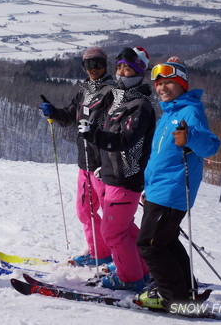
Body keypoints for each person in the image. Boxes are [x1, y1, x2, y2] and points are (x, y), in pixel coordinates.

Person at [136, 57, 220, 310]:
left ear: (183, 83)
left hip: (172, 192)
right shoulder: (169, 112)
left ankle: (173, 297)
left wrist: (190, 136)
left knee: (149, 244)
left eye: (169, 83)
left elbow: (211, 146)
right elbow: (159, 158)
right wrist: (148, 189)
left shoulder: (189, 111)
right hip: (159, 191)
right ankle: (186, 290)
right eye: (159, 84)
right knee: (166, 240)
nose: (162, 88)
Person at [78, 47, 155, 291]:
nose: (122, 72)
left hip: (126, 179)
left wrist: (94, 135)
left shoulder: (139, 105)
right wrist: (102, 165)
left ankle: (130, 278)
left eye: (128, 68)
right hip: (114, 176)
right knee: (123, 230)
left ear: (139, 72)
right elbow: (112, 138)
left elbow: (124, 140)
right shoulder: (120, 99)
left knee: (112, 233)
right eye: (120, 67)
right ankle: (140, 269)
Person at [40, 46, 115, 267]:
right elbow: (70, 115)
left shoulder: (112, 91)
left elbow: (117, 127)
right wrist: (53, 112)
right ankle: (99, 252)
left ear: (105, 64)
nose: (93, 69)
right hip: (85, 162)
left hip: (104, 163)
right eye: (89, 65)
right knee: (85, 211)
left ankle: (121, 255)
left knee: (113, 217)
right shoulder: (85, 91)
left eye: (98, 64)